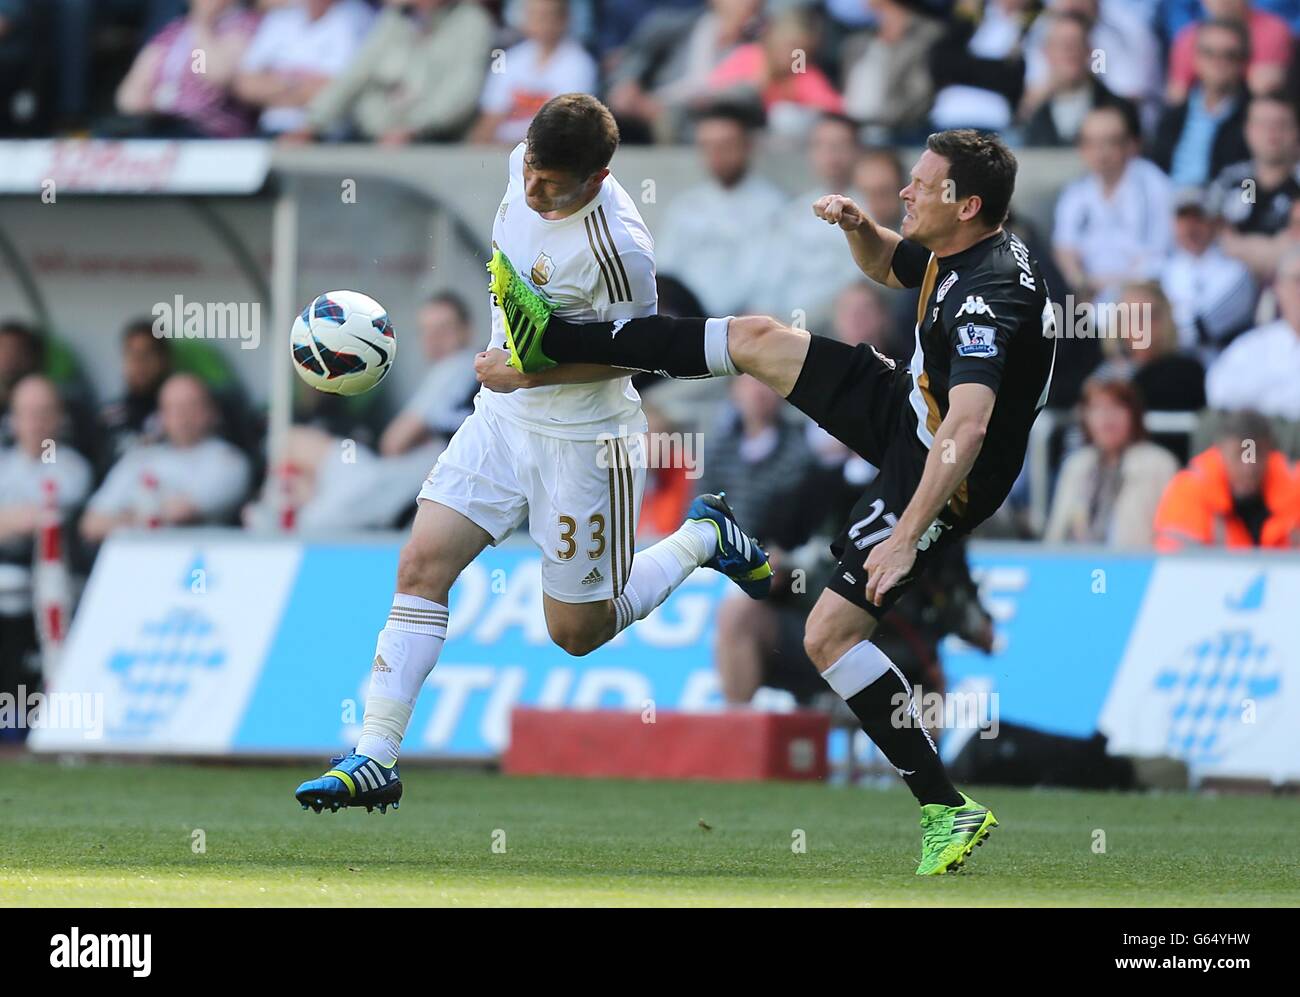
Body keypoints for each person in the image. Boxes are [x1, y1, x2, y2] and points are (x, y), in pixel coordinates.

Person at [486, 128, 1058, 875]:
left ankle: (946, 806)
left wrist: (907, 533)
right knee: (758, 338)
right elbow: (891, 263)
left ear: (970, 204)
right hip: (909, 407)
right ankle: (557, 340)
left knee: (828, 636)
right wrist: (862, 231)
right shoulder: (961, 249)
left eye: (923, 184)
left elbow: (972, 424)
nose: (907, 191)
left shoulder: (990, 294)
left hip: (943, 466)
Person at [293, 94, 772, 814]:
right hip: (502, 417)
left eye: (553, 184)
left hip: (586, 439)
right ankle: (376, 755)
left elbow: (628, 358)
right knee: (422, 563)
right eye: (533, 171)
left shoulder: (621, 251)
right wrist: (511, 379)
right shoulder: (526, 165)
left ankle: (705, 535)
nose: (533, 188)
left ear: (598, 177)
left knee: (575, 632)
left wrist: (528, 371)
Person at [287, 0, 493, 144]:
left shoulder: (472, 21)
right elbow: (356, 73)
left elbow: (462, 90)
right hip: (376, 139)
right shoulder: (395, 20)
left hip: (435, 142)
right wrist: (312, 124)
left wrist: (414, 128)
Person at [80, 374, 251, 543]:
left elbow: (181, 514)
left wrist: (127, 515)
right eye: (173, 408)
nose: (183, 416)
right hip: (134, 560)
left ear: (210, 412)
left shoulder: (228, 460)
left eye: (191, 406)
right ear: (161, 416)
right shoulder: (138, 457)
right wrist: (146, 517)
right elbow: (91, 524)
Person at [655, 102, 785, 317]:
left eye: (725, 145)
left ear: (748, 146)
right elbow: (666, 270)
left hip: (742, 325)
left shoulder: (773, 207)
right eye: (707, 146)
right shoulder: (686, 205)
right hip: (684, 320)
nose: (716, 155)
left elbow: (767, 281)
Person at [1054, 105, 1173, 304]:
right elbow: (1064, 249)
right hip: (1087, 298)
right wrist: (1080, 282)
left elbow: (1158, 256)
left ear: (1131, 144)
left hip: (1141, 295)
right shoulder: (1075, 192)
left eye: (1109, 142)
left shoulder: (1154, 185)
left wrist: (1104, 284)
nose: (1100, 153)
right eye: (1091, 144)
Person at [1044, 377, 1179, 547]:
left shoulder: (1159, 464)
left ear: (1134, 414)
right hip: (1077, 567)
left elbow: (1171, 533)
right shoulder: (1076, 465)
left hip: (1137, 568)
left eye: (1116, 407)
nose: (1106, 417)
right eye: (1097, 408)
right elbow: (1055, 534)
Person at [1153, 410, 1300, 550]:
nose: (1249, 468)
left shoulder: (1294, 485)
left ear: (1270, 451)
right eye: (1239, 455)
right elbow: (1176, 564)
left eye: (1258, 455)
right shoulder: (1189, 490)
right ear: (1220, 451)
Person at [111, 0, 259, 138]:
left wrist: (201, 24)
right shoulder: (173, 31)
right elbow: (128, 97)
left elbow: (207, 75)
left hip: (210, 132)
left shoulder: (241, 25)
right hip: (164, 124)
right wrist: (162, 104)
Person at [232, 0, 376, 136]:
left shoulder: (356, 17)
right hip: (269, 132)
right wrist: (300, 85)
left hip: (327, 137)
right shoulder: (282, 15)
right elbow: (244, 86)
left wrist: (275, 83)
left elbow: (341, 89)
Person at [469, 0, 597, 145]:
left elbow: (565, 125)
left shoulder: (579, 64)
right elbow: (490, 117)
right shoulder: (509, 59)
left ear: (564, 19)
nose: (542, 22)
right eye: (535, 15)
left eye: (548, 15)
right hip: (500, 149)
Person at [1150, 18, 1252, 187]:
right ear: (1196, 58)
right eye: (1209, 53)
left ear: (1244, 62)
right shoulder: (1172, 115)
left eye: (1229, 55)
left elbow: (1250, 190)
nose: (1218, 63)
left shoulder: (1254, 118)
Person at [1206, 244, 1300, 419]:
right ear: (1278, 288)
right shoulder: (1251, 346)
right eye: (1298, 280)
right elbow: (1220, 394)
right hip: (1262, 438)